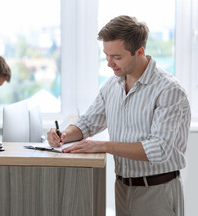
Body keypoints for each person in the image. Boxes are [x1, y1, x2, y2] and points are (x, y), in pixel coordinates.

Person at [47, 15, 190, 216]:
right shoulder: (112, 85)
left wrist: (102, 146)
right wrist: (63, 134)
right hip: (123, 188)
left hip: (158, 191)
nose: (109, 64)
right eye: (106, 55)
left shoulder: (168, 90)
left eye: (117, 57)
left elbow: (159, 149)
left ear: (139, 52)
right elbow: (88, 122)